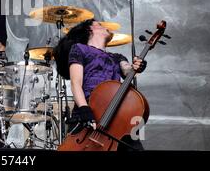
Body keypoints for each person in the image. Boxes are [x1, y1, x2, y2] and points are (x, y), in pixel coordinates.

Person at [53, 19, 147, 150]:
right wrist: (85, 109)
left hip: (113, 118)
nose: (106, 27)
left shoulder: (117, 57)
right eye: (100, 25)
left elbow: (127, 70)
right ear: (89, 29)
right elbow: (76, 82)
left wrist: (137, 65)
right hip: (87, 114)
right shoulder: (80, 49)